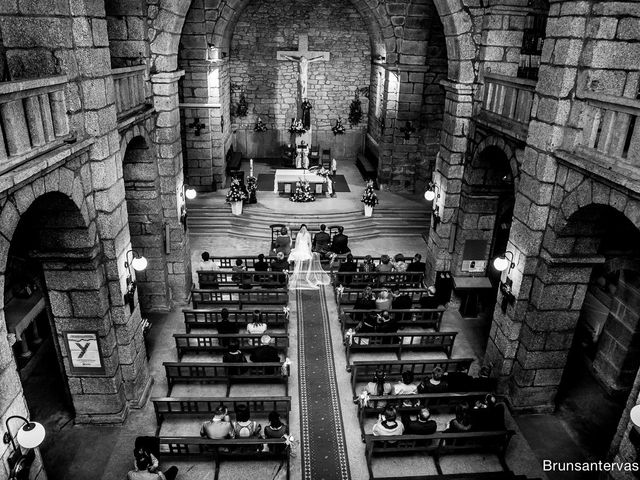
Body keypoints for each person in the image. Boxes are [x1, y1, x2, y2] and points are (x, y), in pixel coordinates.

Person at [288, 224, 331, 290]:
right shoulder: (303, 234)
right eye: (303, 229)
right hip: (303, 248)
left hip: (304, 248)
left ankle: (302, 271)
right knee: (303, 255)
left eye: (304, 229)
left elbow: (308, 244)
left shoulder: (305, 234)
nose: (304, 230)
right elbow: (302, 243)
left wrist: (308, 250)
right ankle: (305, 272)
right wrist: (307, 250)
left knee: (296, 254)